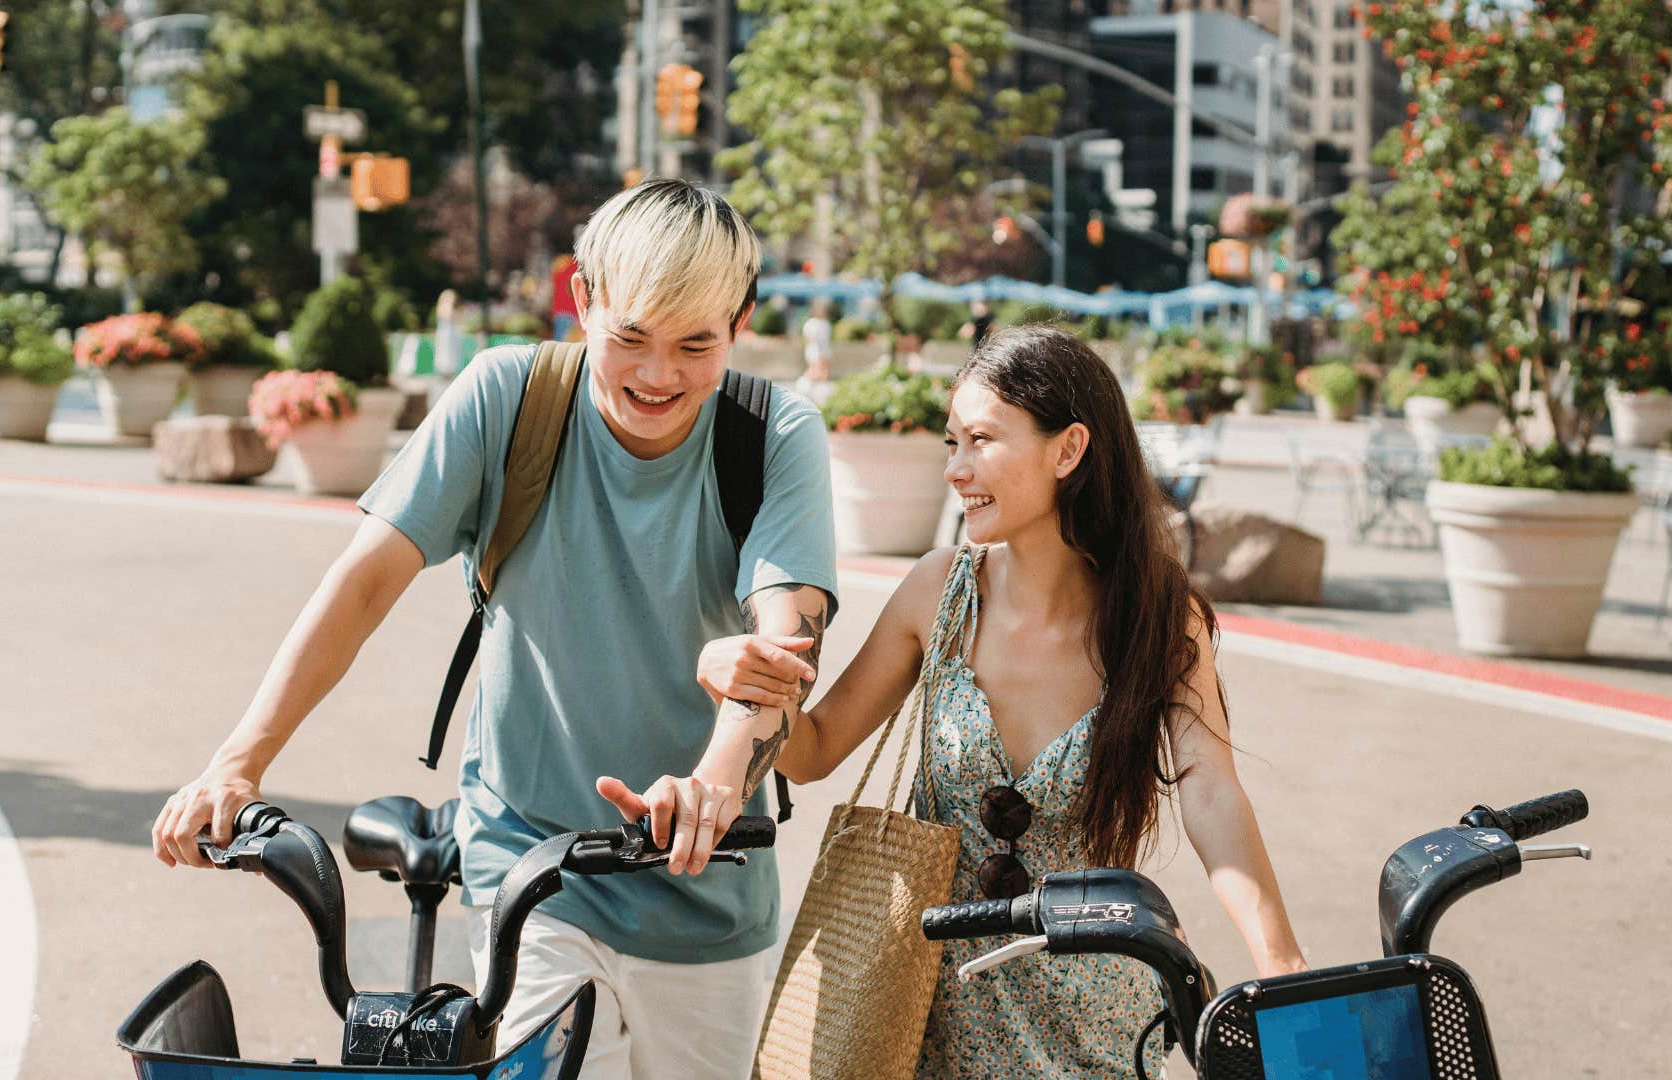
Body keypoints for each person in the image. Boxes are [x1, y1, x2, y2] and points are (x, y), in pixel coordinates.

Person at [150, 178, 839, 1079]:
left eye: (695, 344)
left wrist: (714, 784)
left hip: (710, 895)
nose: (658, 375)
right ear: (582, 301)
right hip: (533, 870)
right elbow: (362, 584)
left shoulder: (772, 435)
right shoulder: (510, 398)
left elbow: (786, 643)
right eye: (629, 337)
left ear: (742, 321)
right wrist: (238, 761)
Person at [773, 325, 1306, 1077]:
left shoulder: (1156, 613)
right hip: (923, 1009)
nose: (957, 470)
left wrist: (1279, 959)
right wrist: (760, 689)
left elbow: (1212, 793)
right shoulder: (939, 591)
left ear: (1068, 449)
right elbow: (816, 749)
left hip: (1093, 1012)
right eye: (950, 443)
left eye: (981, 441)